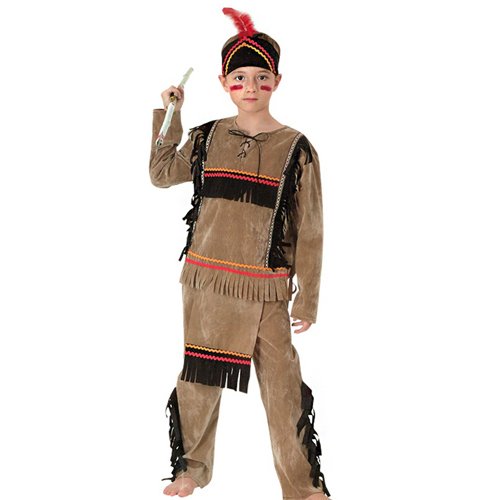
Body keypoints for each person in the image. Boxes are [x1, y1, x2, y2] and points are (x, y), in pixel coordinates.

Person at [149, 7, 330, 499]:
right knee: (199, 379)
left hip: (266, 287)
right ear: (224, 82)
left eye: (261, 77)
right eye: (240, 78)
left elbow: (310, 228)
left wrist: (307, 297)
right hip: (208, 281)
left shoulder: (296, 148)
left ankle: (303, 485)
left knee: (283, 387)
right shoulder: (207, 137)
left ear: (277, 81)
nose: (251, 87)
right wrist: (171, 114)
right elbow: (161, 173)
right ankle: (190, 469)